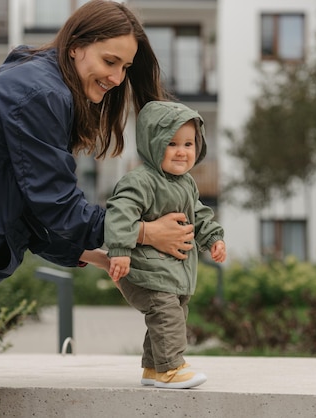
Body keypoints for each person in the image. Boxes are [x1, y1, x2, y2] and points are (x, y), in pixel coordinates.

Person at [0, 1, 196, 416]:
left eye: (125, 68)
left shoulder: (39, 83)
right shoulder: (40, 94)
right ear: (76, 45)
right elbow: (59, 207)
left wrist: (101, 257)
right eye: (109, 60)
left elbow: (31, 214)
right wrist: (144, 232)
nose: (116, 78)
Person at [105, 101, 226, 390]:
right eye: (172, 144)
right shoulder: (140, 182)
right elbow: (120, 214)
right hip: (144, 270)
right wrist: (119, 252)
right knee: (167, 316)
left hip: (172, 273)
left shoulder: (186, 184)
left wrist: (213, 238)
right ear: (153, 144)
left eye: (188, 143)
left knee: (172, 315)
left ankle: (152, 368)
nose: (182, 151)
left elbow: (199, 215)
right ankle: (171, 369)